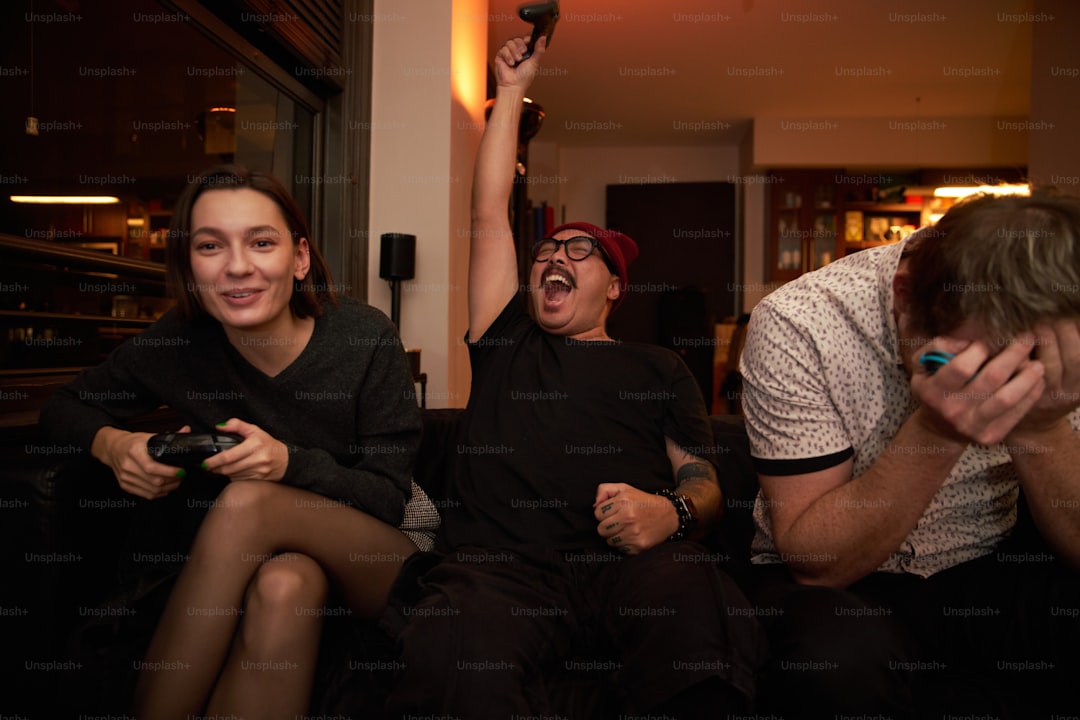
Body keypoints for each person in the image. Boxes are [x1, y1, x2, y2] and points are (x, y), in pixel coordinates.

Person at [384, 36, 761, 719]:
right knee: (453, 649)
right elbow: (486, 213)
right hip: (502, 573)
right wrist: (508, 95)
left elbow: (701, 480)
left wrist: (670, 514)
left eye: (579, 250)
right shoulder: (507, 340)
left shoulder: (658, 366)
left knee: (697, 598)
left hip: (629, 569)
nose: (555, 256)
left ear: (614, 287)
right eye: (548, 249)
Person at [40, 165, 437, 719]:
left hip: (384, 552)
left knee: (248, 498)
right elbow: (62, 408)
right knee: (284, 584)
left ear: (299, 258)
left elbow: (388, 498)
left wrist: (286, 463)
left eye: (261, 242)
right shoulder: (179, 343)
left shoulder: (364, 336)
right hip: (268, 562)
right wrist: (114, 447)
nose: (237, 266)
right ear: (188, 266)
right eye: (210, 245)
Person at [739, 191, 1080, 718]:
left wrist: (1041, 423)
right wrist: (938, 432)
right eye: (963, 362)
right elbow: (817, 563)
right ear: (904, 295)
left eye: (1012, 369)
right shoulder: (799, 321)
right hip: (839, 585)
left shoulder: (1063, 329)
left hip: (985, 563)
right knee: (836, 661)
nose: (989, 388)